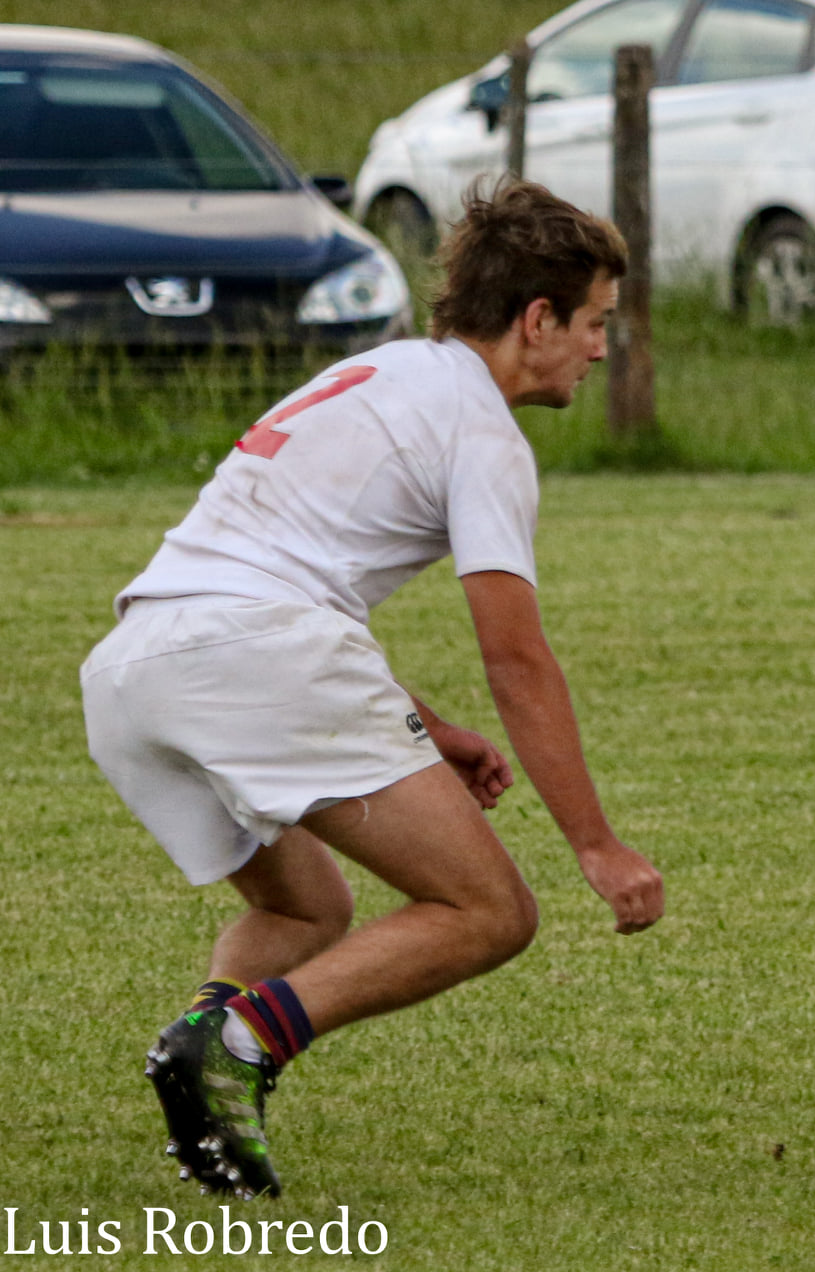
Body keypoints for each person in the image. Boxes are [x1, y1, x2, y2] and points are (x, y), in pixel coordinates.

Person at [81, 180, 664, 1199]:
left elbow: (281, 566)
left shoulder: (381, 369)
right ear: (538, 320)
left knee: (304, 910)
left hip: (136, 664)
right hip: (255, 654)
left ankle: (207, 1067)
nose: (601, 349)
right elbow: (516, 656)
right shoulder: (482, 430)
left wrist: (427, 729)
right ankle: (238, 1046)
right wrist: (596, 844)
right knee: (489, 912)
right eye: (595, 324)